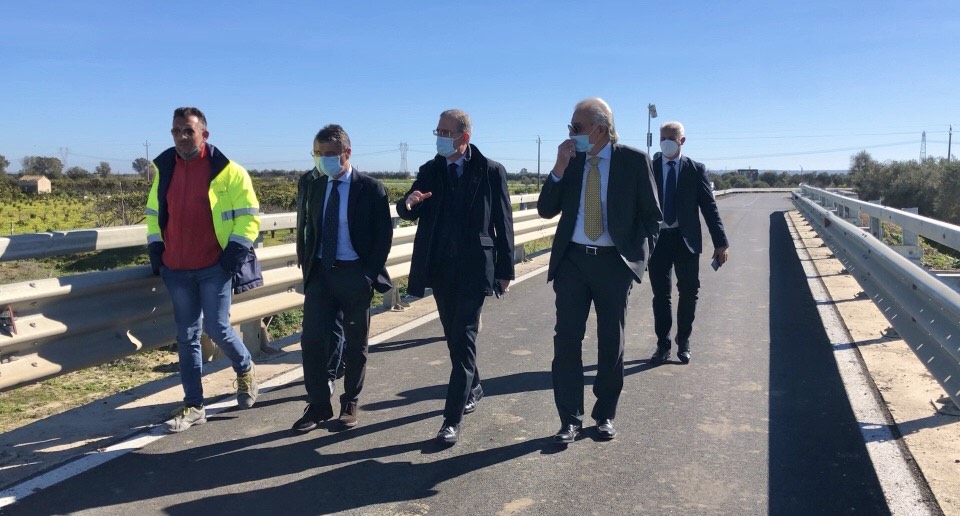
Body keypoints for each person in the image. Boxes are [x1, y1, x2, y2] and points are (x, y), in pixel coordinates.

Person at [538, 98, 661, 444]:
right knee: (566, 340)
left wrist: (636, 261)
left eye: (576, 128)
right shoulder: (572, 161)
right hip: (573, 262)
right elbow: (546, 209)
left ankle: (605, 414)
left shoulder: (633, 161)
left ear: (601, 129)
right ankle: (569, 419)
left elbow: (652, 217)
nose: (571, 134)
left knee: (611, 341)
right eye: (570, 127)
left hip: (613, 264)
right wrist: (558, 167)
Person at [397, 109, 514, 445]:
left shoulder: (490, 170)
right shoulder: (430, 170)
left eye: (446, 132)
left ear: (464, 137)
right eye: (438, 131)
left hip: (475, 268)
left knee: (463, 337)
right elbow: (408, 209)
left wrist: (505, 270)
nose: (440, 137)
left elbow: (503, 222)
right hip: (440, 268)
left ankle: (451, 420)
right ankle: (473, 385)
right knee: (454, 337)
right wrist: (409, 203)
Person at [146, 106, 262, 433]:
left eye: (189, 131)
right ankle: (194, 405)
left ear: (204, 134)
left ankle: (245, 368)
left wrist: (233, 254)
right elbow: (154, 213)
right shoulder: (165, 168)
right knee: (186, 336)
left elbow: (249, 217)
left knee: (217, 327)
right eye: (176, 131)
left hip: (214, 266)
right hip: (176, 268)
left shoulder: (229, 171)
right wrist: (156, 248)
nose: (182, 137)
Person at [294, 124, 393, 432]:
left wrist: (368, 275)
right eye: (317, 154)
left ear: (346, 153)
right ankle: (318, 405)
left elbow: (383, 238)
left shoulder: (371, 188)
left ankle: (350, 402)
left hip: (355, 273)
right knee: (312, 341)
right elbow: (305, 227)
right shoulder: (313, 185)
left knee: (355, 344)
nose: (323, 159)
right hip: (320, 273)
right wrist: (307, 268)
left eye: (329, 154)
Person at [648, 121, 729, 365]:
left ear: (682, 141)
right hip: (658, 240)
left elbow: (709, 208)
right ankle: (663, 345)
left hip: (686, 241)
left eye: (671, 138)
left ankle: (683, 341)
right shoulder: (650, 168)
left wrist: (721, 243)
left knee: (689, 292)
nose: (666, 143)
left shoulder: (695, 170)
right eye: (662, 138)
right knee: (661, 295)